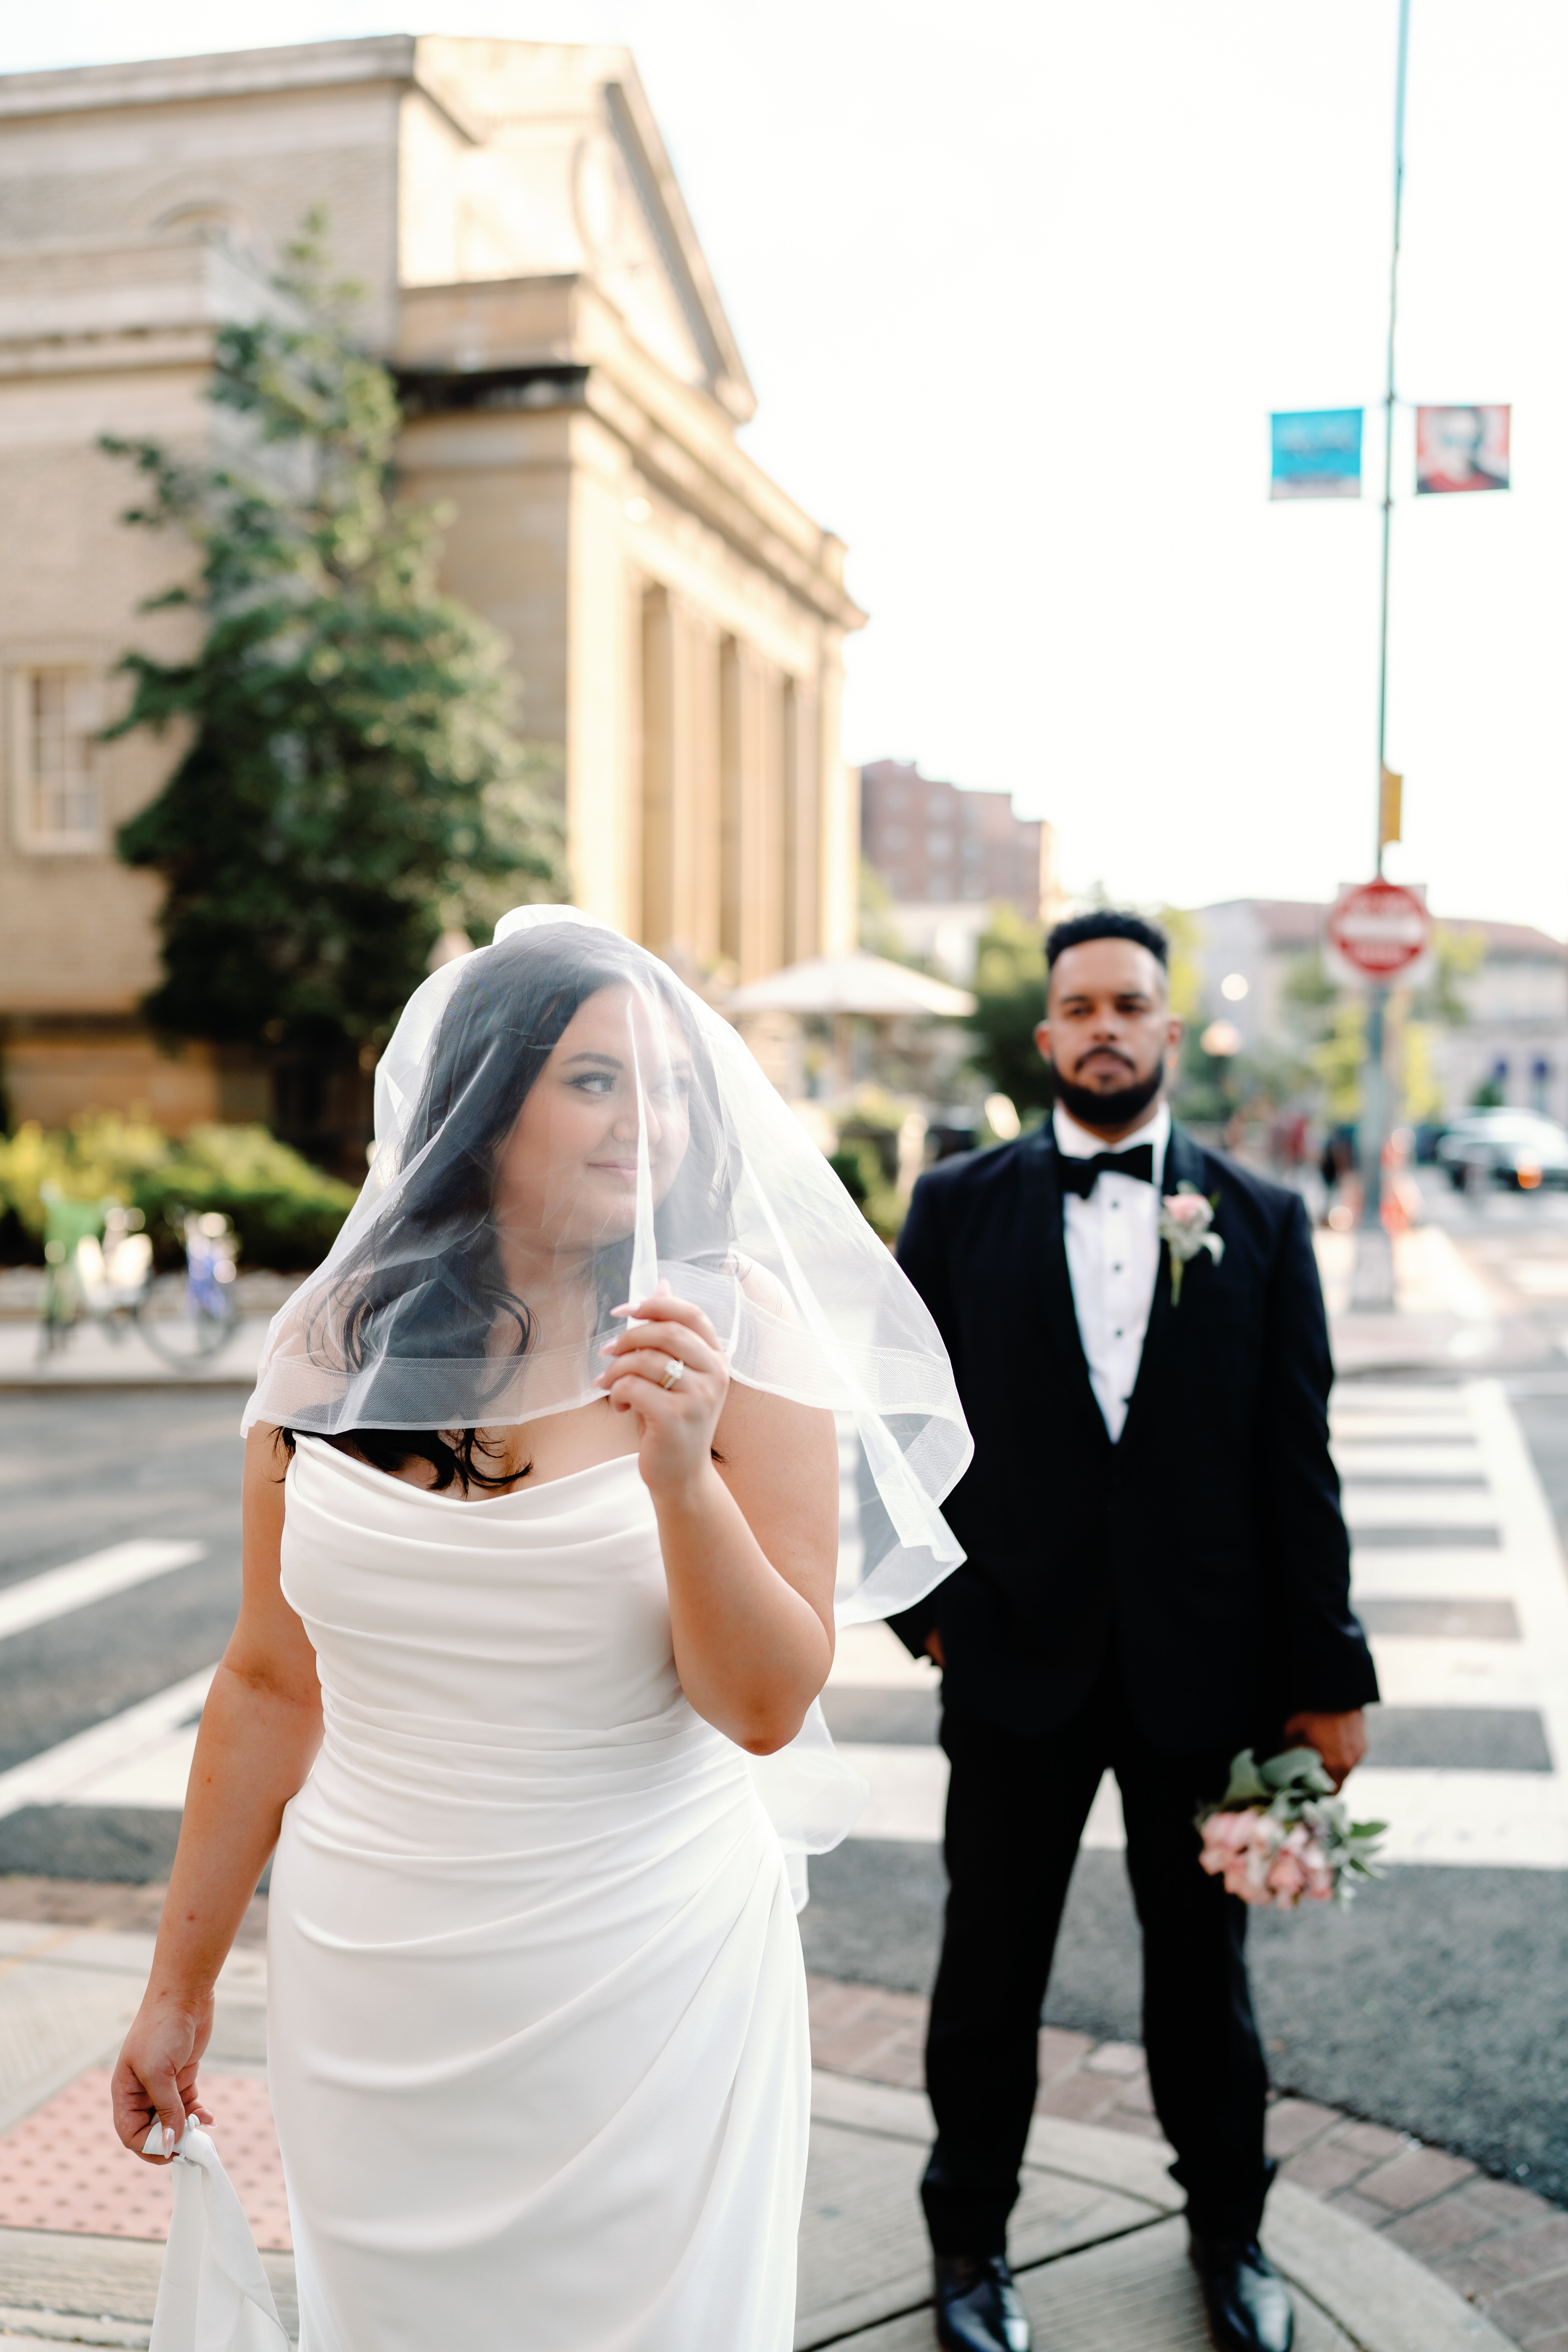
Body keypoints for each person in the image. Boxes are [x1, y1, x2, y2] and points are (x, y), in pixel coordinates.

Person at [111, 907, 969, 2352]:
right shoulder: (338, 1339)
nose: (651, 1123)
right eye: (596, 1079)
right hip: (375, 1966)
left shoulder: (735, 1327)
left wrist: (683, 1474)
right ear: (484, 1101)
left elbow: (765, 1701)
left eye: (675, 1087)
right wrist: (176, 1988)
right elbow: (267, 1680)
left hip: (640, 1968)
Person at [891, 910, 1378, 2352]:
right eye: (1080, 1005)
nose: (1105, 1024)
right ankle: (969, 2250)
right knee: (989, 1976)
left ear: (1171, 1031)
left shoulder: (1268, 1217)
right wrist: (932, 1616)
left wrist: (1326, 1678)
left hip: (1208, 1678)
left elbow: (1299, 1464)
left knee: (1204, 1992)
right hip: (1012, 1669)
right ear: (1045, 1039)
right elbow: (899, 1431)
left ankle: (1232, 2241)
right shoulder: (955, 1207)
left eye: (1131, 1003)